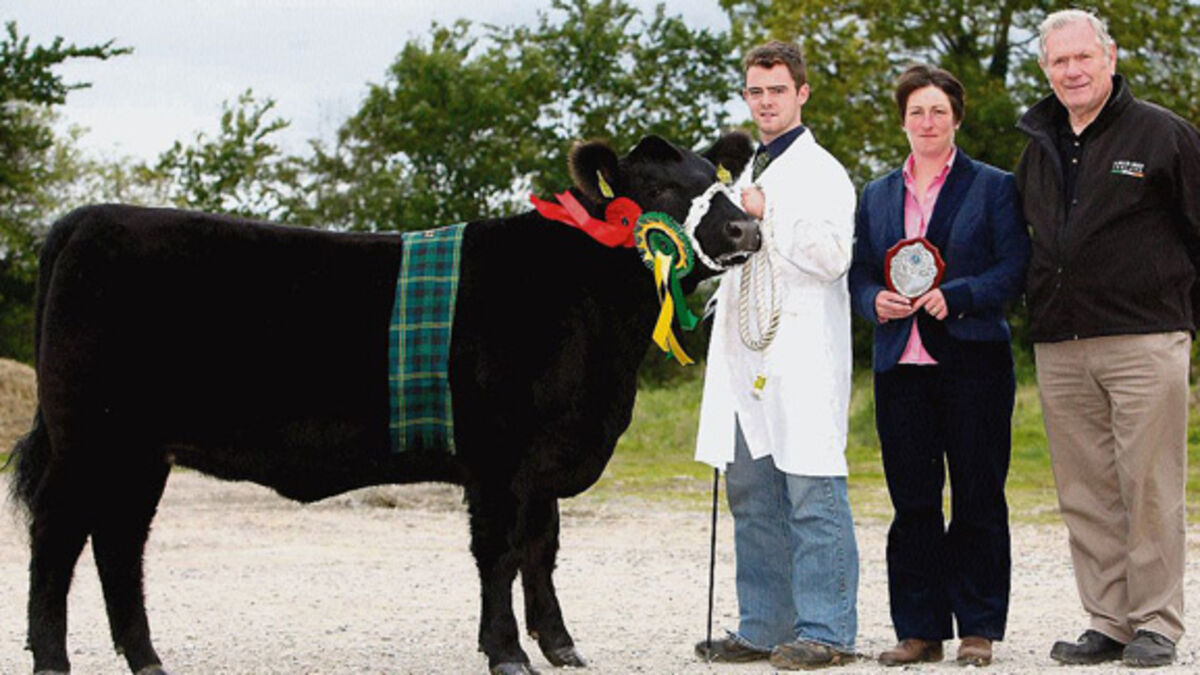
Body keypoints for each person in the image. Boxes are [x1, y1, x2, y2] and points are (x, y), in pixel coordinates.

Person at [1015, 8, 1200, 668]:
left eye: (1083, 57)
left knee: (1148, 485)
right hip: (1061, 342)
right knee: (1086, 491)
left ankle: (1155, 622)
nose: (1072, 70)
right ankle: (1109, 620)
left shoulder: (1164, 135)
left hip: (1145, 337)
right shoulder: (1036, 146)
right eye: (1059, 60)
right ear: (1045, 68)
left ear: (1110, 57)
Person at [848, 64, 1030, 668]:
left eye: (939, 112)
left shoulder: (994, 186)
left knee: (978, 496)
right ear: (902, 120)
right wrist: (872, 300)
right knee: (913, 503)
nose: (927, 122)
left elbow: (1014, 268)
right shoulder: (876, 193)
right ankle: (919, 630)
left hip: (974, 364)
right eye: (917, 112)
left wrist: (962, 295)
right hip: (901, 367)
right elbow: (859, 272)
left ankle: (978, 628)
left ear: (956, 118)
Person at [693, 40, 858, 670]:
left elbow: (833, 257)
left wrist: (773, 212)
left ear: (801, 93)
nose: (766, 103)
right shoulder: (742, 175)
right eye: (756, 92)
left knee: (812, 491)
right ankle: (763, 627)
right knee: (752, 494)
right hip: (744, 357)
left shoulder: (823, 173)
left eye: (778, 91)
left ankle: (828, 631)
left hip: (801, 356)